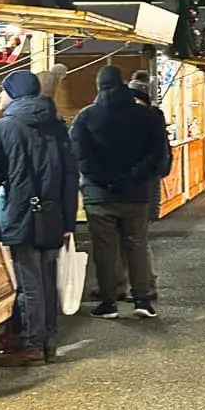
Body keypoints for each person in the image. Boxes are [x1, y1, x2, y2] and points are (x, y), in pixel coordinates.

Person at [0, 70, 78, 366]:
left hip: (21, 213)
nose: (0, 95)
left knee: (30, 283)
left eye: (3, 90)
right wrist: (68, 221)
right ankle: (48, 342)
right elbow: (69, 175)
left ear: (14, 93)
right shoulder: (56, 125)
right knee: (47, 280)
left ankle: (33, 345)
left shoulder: (2, 128)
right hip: (53, 215)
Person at [70, 66, 170, 320]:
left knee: (104, 250)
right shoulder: (146, 116)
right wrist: (132, 178)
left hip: (99, 196)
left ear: (99, 86)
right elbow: (156, 153)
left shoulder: (86, 117)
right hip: (136, 194)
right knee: (136, 245)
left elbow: (80, 156)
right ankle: (142, 299)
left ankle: (108, 301)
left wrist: (105, 180)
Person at [123, 71, 173, 299]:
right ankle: (128, 284)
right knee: (130, 239)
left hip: (141, 190)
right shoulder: (148, 118)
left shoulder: (149, 119)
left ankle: (145, 285)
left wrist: (137, 173)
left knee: (136, 239)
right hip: (137, 188)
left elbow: (159, 159)